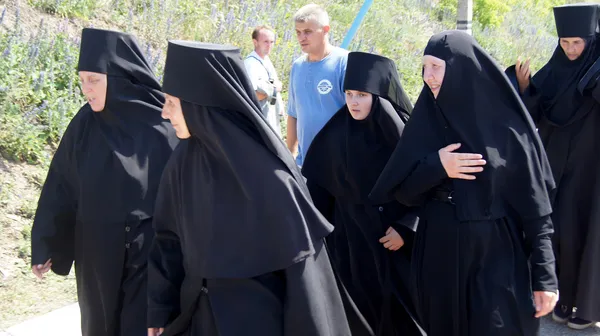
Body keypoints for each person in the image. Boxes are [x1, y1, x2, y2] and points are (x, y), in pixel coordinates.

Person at [147, 40, 359, 336]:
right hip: (195, 317)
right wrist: (159, 309)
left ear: (198, 105)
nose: (164, 113)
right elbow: (168, 239)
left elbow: (307, 285)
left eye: (171, 101)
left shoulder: (272, 179)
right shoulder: (182, 161)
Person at [369, 30, 558, 336]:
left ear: (461, 68)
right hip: (438, 249)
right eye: (425, 67)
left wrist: (545, 277)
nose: (428, 77)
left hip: (495, 250)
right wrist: (438, 166)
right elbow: (403, 193)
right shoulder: (426, 120)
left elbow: (536, 211)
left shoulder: (508, 128)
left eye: (437, 67)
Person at [30, 28, 179, 336]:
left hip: (148, 256)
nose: (86, 89)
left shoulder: (164, 123)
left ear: (120, 77)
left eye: (94, 80)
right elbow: (62, 185)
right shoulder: (84, 124)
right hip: (96, 254)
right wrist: (46, 242)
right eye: (82, 79)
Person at [301, 51, 423, 336]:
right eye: (349, 94)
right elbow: (317, 193)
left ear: (377, 97)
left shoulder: (405, 138)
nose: (353, 102)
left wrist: (407, 229)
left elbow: (428, 190)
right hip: (349, 247)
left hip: (394, 246)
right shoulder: (334, 135)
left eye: (362, 95)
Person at [513, 3, 600, 330]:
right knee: (561, 230)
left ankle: (589, 308)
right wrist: (525, 89)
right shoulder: (557, 67)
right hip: (558, 167)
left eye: (578, 43)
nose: (571, 49)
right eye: (565, 43)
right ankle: (562, 299)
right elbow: (538, 109)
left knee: (589, 234)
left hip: (592, 171)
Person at [286, 3, 348, 166]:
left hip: (337, 165)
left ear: (325, 30)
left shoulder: (344, 62)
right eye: (298, 32)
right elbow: (293, 114)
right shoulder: (297, 66)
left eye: (307, 32)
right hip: (304, 163)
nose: (301, 38)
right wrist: (289, 156)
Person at [244, 25, 285, 138]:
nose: (269, 45)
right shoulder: (251, 64)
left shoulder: (266, 60)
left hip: (270, 119)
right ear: (255, 42)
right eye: (266, 41)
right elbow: (253, 95)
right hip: (261, 121)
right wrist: (274, 89)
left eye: (272, 42)